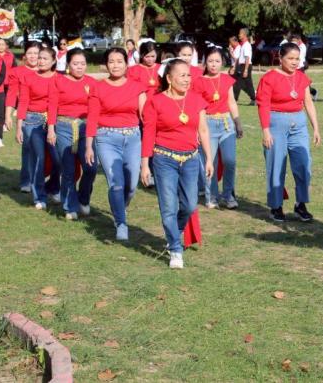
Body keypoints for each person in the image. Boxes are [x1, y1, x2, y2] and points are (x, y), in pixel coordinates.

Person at [141, 59, 213, 269]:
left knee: (190, 205)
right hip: (164, 159)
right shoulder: (155, 101)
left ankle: (175, 231)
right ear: (169, 78)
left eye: (189, 75)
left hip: (190, 159)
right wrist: (144, 164)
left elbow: (203, 130)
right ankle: (175, 248)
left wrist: (208, 158)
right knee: (168, 207)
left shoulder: (197, 99)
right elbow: (149, 133)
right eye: (182, 75)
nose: (187, 79)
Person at [85, 48, 147, 241]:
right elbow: (92, 117)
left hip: (133, 139)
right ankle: (121, 222)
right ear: (106, 65)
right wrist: (88, 146)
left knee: (131, 185)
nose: (115, 65)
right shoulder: (98, 87)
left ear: (126, 64)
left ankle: (120, 207)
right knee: (116, 183)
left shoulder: (138, 87)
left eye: (119, 61)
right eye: (111, 61)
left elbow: (145, 115)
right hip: (106, 139)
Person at [256, 42, 321, 222]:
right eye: (290, 58)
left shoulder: (301, 77)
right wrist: (266, 130)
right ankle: (276, 206)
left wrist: (316, 127)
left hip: (298, 124)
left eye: (297, 59)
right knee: (276, 165)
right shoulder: (269, 78)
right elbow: (263, 105)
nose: (294, 62)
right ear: (280, 58)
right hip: (276, 122)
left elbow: (308, 102)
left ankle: (301, 204)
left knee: (303, 164)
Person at [47, 48, 99, 220]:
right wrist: (51, 129)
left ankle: (83, 198)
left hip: (85, 128)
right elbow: (52, 105)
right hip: (63, 127)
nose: (79, 67)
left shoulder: (92, 83)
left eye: (83, 64)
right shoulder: (58, 81)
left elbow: (96, 109)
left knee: (91, 168)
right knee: (68, 169)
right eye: (75, 64)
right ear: (68, 64)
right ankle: (70, 206)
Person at [194, 46, 243, 209]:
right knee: (210, 162)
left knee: (230, 161)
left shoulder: (227, 79)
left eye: (217, 61)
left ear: (223, 62)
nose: (214, 64)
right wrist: (198, 129)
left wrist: (238, 123)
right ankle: (212, 196)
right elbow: (197, 107)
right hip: (207, 124)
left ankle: (228, 195)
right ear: (205, 62)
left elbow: (231, 102)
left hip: (226, 124)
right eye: (210, 61)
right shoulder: (199, 82)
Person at [16, 46, 61, 209]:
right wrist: (19, 127)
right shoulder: (28, 78)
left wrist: (52, 127)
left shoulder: (59, 78)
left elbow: (59, 102)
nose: (40, 61)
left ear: (53, 61)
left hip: (55, 121)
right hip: (32, 121)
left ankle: (53, 187)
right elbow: (23, 102)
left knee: (58, 159)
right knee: (38, 160)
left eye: (44, 58)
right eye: (39, 58)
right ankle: (39, 197)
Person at [5, 41, 42, 192]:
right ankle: (26, 181)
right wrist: (8, 116)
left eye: (36, 53)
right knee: (28, 148)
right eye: (30, 53)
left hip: (48, 115)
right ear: (25, 55)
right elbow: (11, 94)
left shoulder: (47, 71)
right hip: (27, 115)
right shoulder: (17, 72)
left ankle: (44, 180)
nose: (33, 56)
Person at [232, 28, 256, 105]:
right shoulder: (243, 45)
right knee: (248, 84)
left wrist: (245, 69)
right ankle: (254, 99)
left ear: (244, 35)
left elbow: (247, 58)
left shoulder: (246, 45)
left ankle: (234, 100)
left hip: (246, 66)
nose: (239, 35)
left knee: (237, 83)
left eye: (240, 33)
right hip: (243, 66)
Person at [292, 34, 317, 101]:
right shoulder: (297, 46)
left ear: (299, 40)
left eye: (295, 40)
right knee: (295, 82)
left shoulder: (302, 47)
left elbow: (299, 57)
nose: (294, 42)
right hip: (295, 67)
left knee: (303, 83)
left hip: (300, 67)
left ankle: (313, 92)